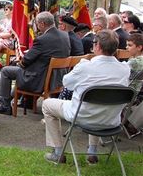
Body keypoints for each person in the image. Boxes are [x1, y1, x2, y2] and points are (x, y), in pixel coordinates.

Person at [42, 29, 130, 164]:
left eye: (94, 43)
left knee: (47, 104)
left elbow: (66, 83)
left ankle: (58, 152)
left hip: (83, 116)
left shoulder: (86, 66)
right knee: (98, 105)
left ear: (98, 46)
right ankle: (92, 151)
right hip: (111, 120)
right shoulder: (125, 69)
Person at [0, 11, 71, 115]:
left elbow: (26, 62)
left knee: (6, 70)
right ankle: (18, 99)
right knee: (20, 69)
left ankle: (4, 104)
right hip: (58, 77)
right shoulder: (65, 35)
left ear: (42, 24)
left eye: (37, 24)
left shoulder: (42, 39)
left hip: (40, 78)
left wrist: (20, 61)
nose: (37, 27)